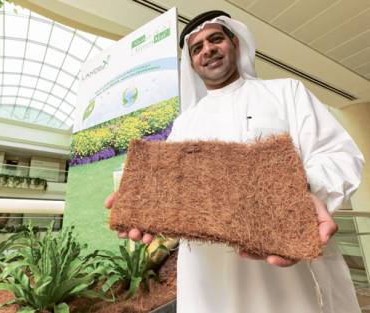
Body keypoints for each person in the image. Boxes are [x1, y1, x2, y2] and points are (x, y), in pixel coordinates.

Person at [105, 10, 364, 313]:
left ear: (235, 43)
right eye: (197, 47)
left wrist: (296, 195)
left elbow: (339, 156)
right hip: (208, 283)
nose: (208, 50)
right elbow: (175, 198)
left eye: (216, 39)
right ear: (191, 64)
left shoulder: (286, 92)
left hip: (287, 275)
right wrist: (145, 205)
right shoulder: (185, 124)